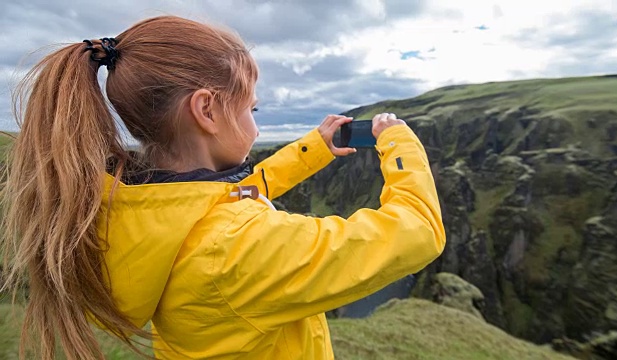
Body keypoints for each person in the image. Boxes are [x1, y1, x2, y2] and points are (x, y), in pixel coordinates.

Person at [1, 15, 445, 360]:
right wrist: (399, 142)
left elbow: (228, 195)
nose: (254, 123)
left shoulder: (137, 206)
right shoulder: (237, 247)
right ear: (207, 110)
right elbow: (417, 231)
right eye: (251, 107)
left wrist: (316, 148)